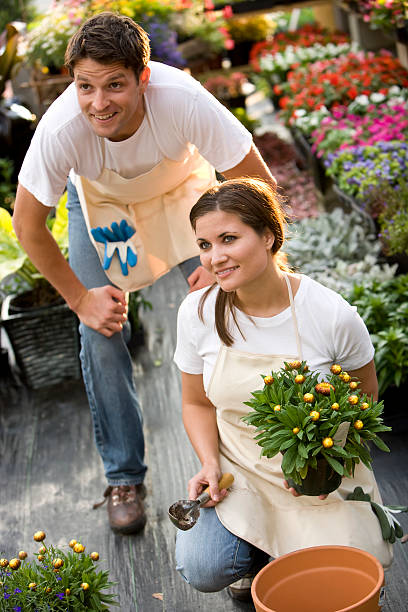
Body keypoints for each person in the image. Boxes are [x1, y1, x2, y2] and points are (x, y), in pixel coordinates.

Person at [12, 12, 277, 535]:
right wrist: (80, 300)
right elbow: (27, 225)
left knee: (237, 308)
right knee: (100, 329)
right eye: (85, 86)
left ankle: (254, 458)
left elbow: (255, 180)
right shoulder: (62, 128)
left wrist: (241, 264)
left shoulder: (183, 98)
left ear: (144, 77)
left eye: (114, 84)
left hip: (185, 196)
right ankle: (124, 476)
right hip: (106, 209)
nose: (98, 102)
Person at [173, 177, 393, 601]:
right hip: (241, 471)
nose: (214, 258)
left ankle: (284, 549)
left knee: (345, 582)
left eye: (228, 239)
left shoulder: (330, 315)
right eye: (204, 244)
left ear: (269, 235)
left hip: (318, 475)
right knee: (202, 565)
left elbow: (365, 405)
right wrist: (208, 463)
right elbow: (196, 402)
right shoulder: (198, 313)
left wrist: (328, 462)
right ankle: (256, 554)